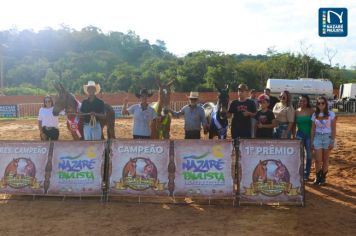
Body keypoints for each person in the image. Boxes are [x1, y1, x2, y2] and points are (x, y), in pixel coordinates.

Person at [311, 96, 337, 185]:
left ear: (326, 104)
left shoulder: (331, 114)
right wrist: (312, 141)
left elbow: (333, 129)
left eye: (323, 103)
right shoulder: (314, 115)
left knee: (325, 159)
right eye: (319, 103)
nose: (321, 105)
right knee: (318, 160)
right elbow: (313, 129)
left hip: (327, 137)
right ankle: (317, 177)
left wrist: (332, 141)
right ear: (317, 104)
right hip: (317, 137)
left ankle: (323, 178)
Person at [293, 95, 314, 180]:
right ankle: (299, 173)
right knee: (300, 155)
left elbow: (313, 126)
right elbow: (294, 125)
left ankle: (306, 174)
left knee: (309, 155)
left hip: (309, 135)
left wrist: (312, 138)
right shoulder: (296, 112)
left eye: (304, 101)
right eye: (301, 101)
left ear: (307, 102)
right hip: (299, 135)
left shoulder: (312, 111)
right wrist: (293, 136)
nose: (302, 102)